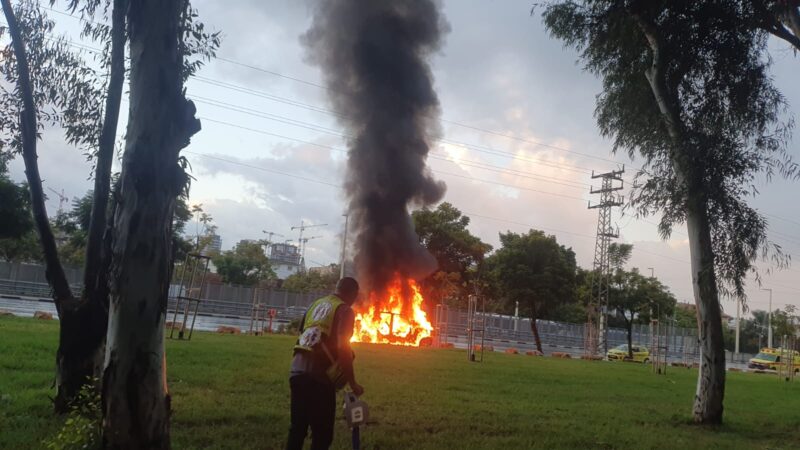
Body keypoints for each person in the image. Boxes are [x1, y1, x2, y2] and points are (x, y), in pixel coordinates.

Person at [286, 277, 365, 450]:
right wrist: (353, 383)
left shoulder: (315, 305)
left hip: (297, 372)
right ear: (353, 294)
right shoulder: (345, 310)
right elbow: (343, 347)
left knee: (297, 429)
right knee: (322, 435)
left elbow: (304, 334)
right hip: (319, 378)